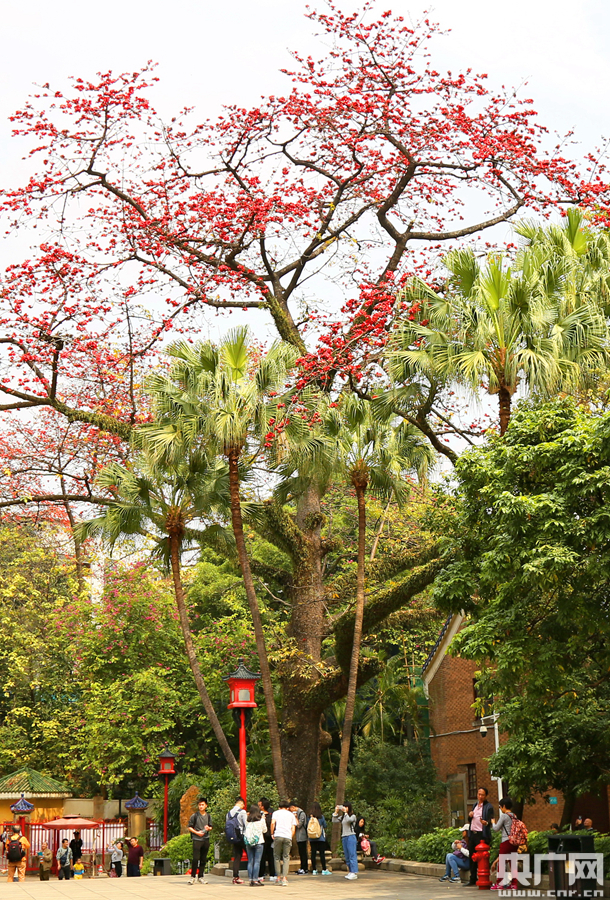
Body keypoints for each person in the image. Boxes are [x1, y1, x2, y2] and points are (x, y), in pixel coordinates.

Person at [465, 787, 494, 887]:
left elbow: (491, 820)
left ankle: (483, 878)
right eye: (479, 794)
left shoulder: (488, 807)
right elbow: (470, 820)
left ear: (486, 796)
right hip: (472, 833)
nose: (480, 796)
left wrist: (486, 822)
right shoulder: (475, 805)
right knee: (472, 856)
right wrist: (470, 815)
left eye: (482, 795)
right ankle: (472, 878)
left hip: (481, 834)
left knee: (481, 857)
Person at [490, 797, 518, 891]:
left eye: (500, 806)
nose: (500, 808)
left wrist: (493, 823)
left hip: (506, 841)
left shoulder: (504, 816)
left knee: (501, 862)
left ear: (504, 806)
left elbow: (496, 828)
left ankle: (499, 884)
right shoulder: (514, 815)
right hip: (514, 842)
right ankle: (514, 884)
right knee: (512, 863)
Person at [271, 799, 297, 886]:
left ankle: (278, 877)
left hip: (278, 835)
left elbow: (272, 823)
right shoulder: (291, 815)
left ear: (279, 807)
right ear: (288, 807)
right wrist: (290, 836)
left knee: (276, 856)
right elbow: (293, 828)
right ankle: (284, 878)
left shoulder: (276, 813)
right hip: (287, 836)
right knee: (286, 857)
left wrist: (272, 833)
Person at [188, 796, 213, 884]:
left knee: (203, 858)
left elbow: (211, 826)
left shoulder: (208, 816)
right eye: (199, 805)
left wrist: (208, 828)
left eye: (202, 805)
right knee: (195, 858)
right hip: (197, 839)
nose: (201, 806)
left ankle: (201, 876)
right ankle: (192, 876)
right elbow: (189, 827)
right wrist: (197, 833)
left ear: (206, 806)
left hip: (205, 839)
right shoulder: (194, 816)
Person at [333, 802, 358, 880]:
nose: (344, 808)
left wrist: (346, 813)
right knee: (347, 855)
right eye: (344, 807)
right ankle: (350, 871)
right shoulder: (343, 817)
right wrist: (336, 812)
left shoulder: (352, 816)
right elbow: (334, 820)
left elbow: (349, 821)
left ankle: (354, 872)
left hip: (351, 836)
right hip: (344, 836)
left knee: (352, 854)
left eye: (346, 807)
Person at [244, 803, 267, 886]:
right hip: (259, 842)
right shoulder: (261, 820)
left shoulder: (247, 820)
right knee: (257, 861)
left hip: (249, 842)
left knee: (250, 861)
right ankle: (255, 879)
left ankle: (250, 879)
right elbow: (265, 830)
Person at [226, 796, 248, 885]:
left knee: (237, 856)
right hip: (242, 836)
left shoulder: (228, 813)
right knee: (251, 855)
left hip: (234, 837)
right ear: (241, 803)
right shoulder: (242, 812)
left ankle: (235, 877)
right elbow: (246, 825)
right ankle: (255, 875)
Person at [308, 801, 331, 875]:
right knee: (322, 853)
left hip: (312, 837)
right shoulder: (321, 817)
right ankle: (324, 869)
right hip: (320, 837)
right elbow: (325, 825)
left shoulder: (309, 817)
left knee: (313, 853)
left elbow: (307, 826)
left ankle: (314, 869)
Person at [257, 798, 276, 883]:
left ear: (263, 806)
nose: (259, 806)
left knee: (267, 856)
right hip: (269, 837)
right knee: (266, 856)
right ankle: (267, 873)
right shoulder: (271, 814)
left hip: (265, 837)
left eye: (260, 805)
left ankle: (266, 874)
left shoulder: (268, 815)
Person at [289, 800, 308, 875]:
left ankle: (305, 868)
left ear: (293, 807)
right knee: (301, 852)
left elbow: (299, 825)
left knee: (303, 852)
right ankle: (302, 867)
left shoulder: (301, 813)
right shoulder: (299, 813)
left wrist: (295, 817)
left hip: (302, 835)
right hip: (299, 836)